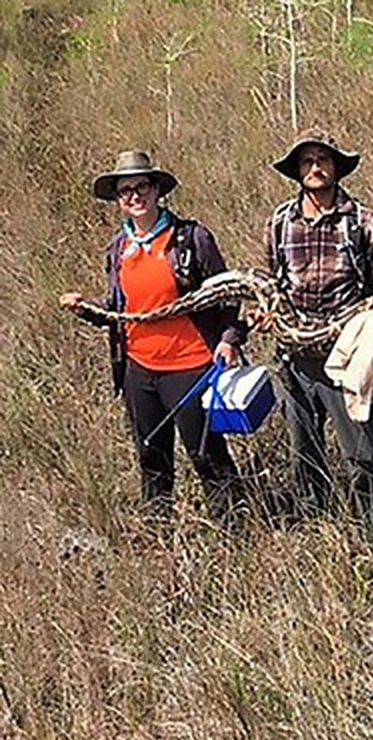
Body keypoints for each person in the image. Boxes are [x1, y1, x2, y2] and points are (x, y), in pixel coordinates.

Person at [60, 151, 243, 528]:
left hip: (191, 366)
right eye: (125, 190)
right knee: (151, 455)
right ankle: (158, 534)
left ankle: (236, 532)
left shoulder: (191, 238)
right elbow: (118, 308)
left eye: (141, 186)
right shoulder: (118, 249)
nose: (134, 195)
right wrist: (87, 308)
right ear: (118, 199)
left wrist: (229, 338)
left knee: (206, 454)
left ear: (157, 189)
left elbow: (229, 294)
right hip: (139, 370)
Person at [264, 129, 373, 562]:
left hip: (347, 357)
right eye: (306, 161)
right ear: (297, 171)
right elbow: (270, 284)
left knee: (363, 453)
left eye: (322, 159)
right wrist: (263, 313)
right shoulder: (280, 222)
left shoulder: (364, 221)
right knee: (303, 454)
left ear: (336, 166)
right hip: (294, 358)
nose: (315, 168)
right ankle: (317, 543)